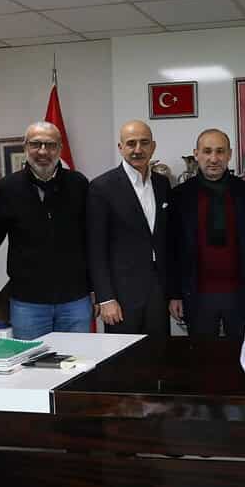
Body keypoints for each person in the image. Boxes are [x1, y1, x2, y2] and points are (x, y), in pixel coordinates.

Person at [0, 122, 91, 340]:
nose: (43, 151)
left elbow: (91, 239)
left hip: (75, 301)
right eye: (36, 144)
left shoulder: (79, 184)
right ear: (25, 147)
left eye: (50, 145)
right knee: (32, 360)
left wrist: (96, 289)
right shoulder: (7, 188)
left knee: (78, 358)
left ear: (60, 148)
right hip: (28, 303)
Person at [167, 129, 245, 343]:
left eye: (220, 151)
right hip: (196, 295)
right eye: (207, 151)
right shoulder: (180, 195)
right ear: (196, 154)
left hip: (240, 294)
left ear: (229, 154)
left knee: (242, 355)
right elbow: (171, 248)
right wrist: (174, 294)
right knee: (202, 356)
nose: (214, 158)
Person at [87, 120, 170, 335]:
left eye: (144, 143)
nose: (138, 149)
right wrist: (106, 298)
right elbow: (96, 248)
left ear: (153, 146)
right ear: (120, 147)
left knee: (159, 351)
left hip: (158, 293)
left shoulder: (162, 184)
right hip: (121, 297)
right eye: (131, 143)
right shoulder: (102, 187)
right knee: (124, 355)